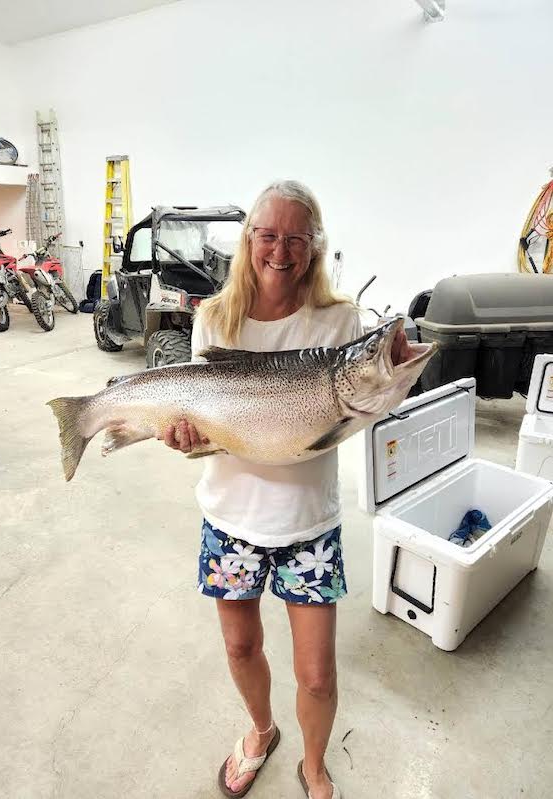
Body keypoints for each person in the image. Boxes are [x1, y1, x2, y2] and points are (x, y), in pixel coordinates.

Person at [162, 180, 412, 799]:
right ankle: (260, 729)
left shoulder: (342, 322)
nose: (280, 250)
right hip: (230, 519)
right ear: (249, 241)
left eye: (295, 238)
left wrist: (387, 382)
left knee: (319, 677)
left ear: (314, 246)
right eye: (268, 235)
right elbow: (207, 427)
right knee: (242, 646)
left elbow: (361, 410)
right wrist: (185, 436)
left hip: (308, 527)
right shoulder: (215, 318)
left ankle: (315, 765)